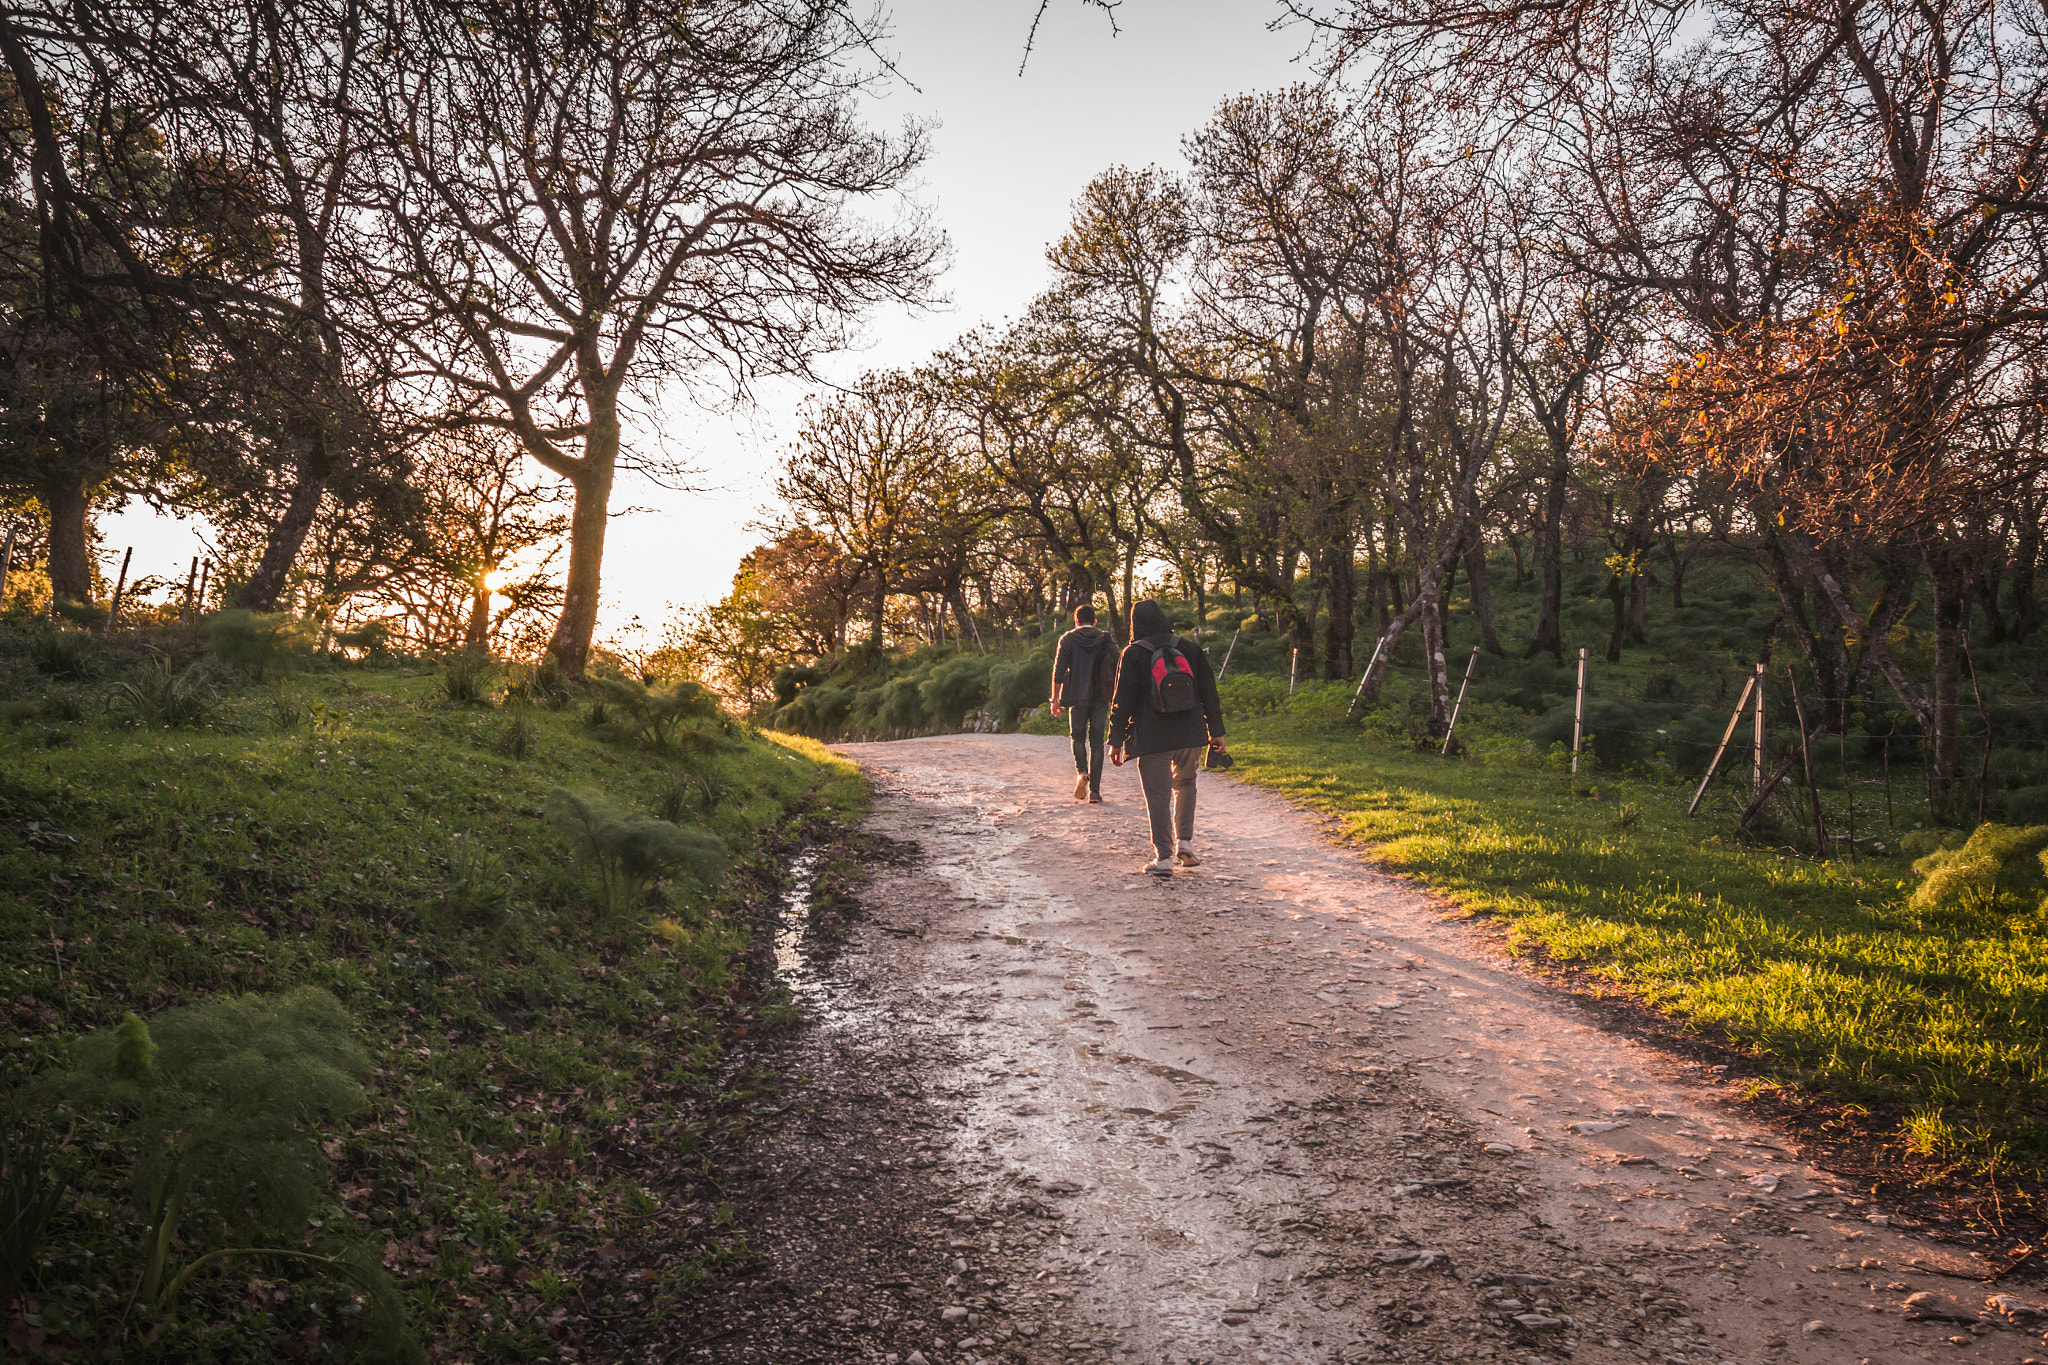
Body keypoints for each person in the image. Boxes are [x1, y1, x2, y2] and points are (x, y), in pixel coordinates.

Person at [1106, 599, 1227, 875]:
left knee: (1158, 795)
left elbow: (1121, 700)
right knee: (1186, 783)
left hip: (1152, 737)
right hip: (1190, 733)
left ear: (1135, 624)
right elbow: (1209, 692)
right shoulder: (1188, 647)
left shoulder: (1133, 653)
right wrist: (1215, 732)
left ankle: (1163, 858)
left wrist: (1115, 740)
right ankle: (1185, 843)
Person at [1048, 603, 1120, 802]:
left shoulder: (1067, 639)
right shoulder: (1105, 637)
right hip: (1100, 696)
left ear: (1076, 621)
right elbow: (1119, 662)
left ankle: (1081, 772)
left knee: (1077, 738)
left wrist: (1055, 699)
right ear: (1094, 621)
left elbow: (1059, 670)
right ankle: (1095, 792)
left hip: (1075, 696)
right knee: (1097, 742)